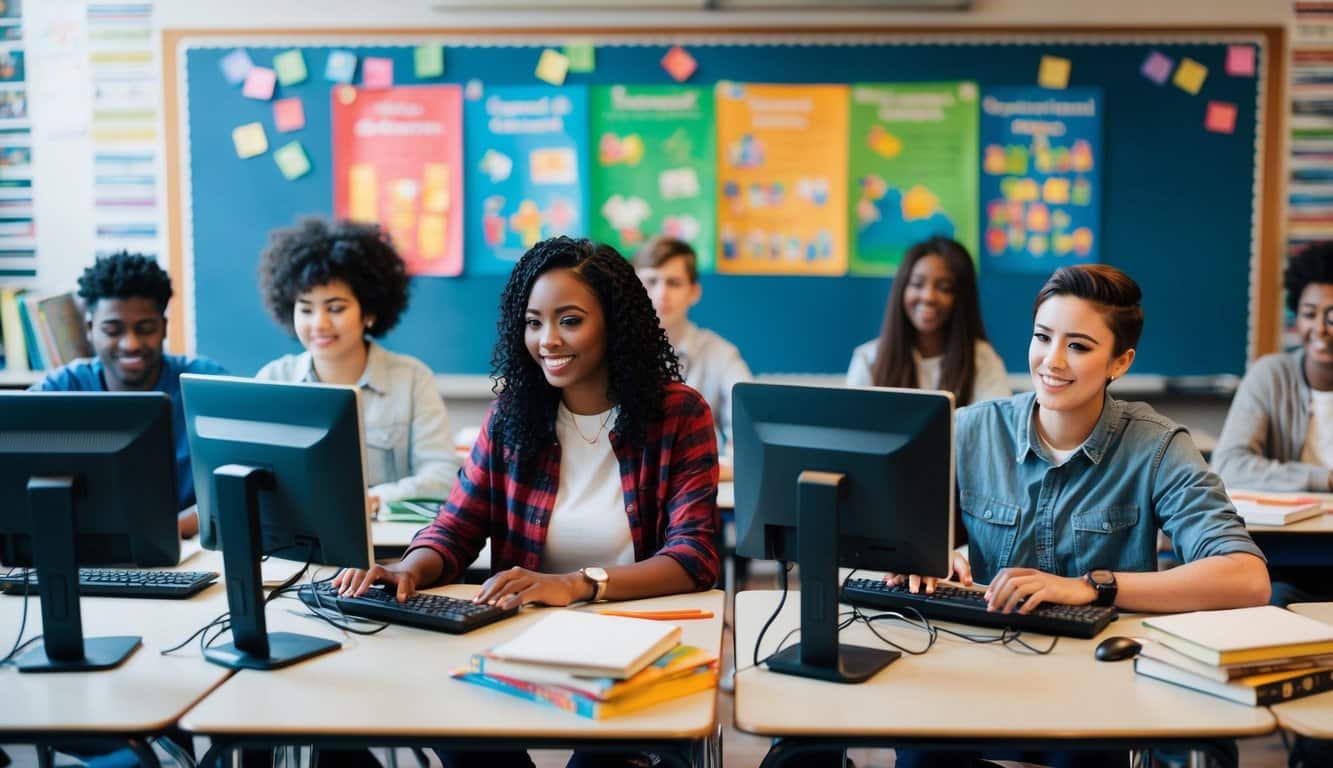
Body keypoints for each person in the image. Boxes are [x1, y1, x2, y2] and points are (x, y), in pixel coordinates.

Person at [333, 236, 720, 768]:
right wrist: (408, 569)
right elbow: (455, 528)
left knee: (604, 759)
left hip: (636, 643)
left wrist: (576, 585)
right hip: (526, 642)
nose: (547, 340)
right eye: (534, 322)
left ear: (614, 323)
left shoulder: (679, 414)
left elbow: (693, 556)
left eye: (570, 320)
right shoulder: (513, 416)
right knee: (457, 732)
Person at [888, 264, 1270, 768]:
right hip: (978, 671)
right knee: (920, 753)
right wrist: (921, 557)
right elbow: (893, 536)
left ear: (1120, 361)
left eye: (1079, 346)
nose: (1051, 361)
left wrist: (1095, 586)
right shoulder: (969, 429)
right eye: (1043, 337)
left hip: (1099, 682)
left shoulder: (1158, 448)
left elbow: (1247, 579)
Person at [256, 218, 460, 513]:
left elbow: (442, 477)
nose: (319, 324)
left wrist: (375, 499)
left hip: (387, 547)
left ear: (369, 312)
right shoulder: (273, 379)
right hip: (296, 544)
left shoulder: (412, 379)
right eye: (306, 309)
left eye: (335, 308)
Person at [31, 251, 226, 538]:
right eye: (113, 330)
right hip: (84, 551)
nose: (130, 344)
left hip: (192, 552)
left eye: (145, 329)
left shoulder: (206, 385)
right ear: (89, 329)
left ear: (163, 328)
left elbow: (240, 490)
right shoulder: (63, 388)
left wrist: (170, 529)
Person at [1212, 242, 1333, 610]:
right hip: (1285, 558)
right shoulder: (1271, 375)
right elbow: (1228, 464)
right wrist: (1325, 480)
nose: (1320, 329)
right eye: (1309, 313)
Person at [846, 236, 1009, 406]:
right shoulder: (868, 359)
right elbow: (852, 427)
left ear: (961, 298)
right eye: (917, 284)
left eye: (944, 288)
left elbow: (995, 425)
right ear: (902, 289)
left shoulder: (981, 360)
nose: (928, 297)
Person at [632, 235, 751, 458]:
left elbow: (749, 430)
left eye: (673, 283)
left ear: (694, 292)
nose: (661, 294)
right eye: (650, 281)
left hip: (694, 478)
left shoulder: (721, 354)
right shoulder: (610, 350)